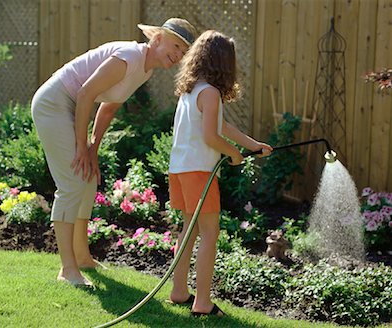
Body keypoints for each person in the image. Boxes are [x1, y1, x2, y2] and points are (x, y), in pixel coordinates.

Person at [31, 18, 198, 286]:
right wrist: (82, 145)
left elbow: (108, 107)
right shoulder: (129, 56)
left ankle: (83, 257)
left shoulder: (145, 70)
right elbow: (86, 94)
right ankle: (67, 269)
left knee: (87, 178)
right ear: (157, 38)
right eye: (176, 46)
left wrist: (93, 150)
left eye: (183, 52)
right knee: (72, 182)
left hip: (74, 106)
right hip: (54, 103)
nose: (178, 56)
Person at [167, 30, 272, 315]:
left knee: (188, 231)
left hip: (180, 170)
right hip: (199, 171)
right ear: (224, 62)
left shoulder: (191, 90)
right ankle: (202, 302)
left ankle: (179, 291)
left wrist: (252, 145)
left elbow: (220, 127)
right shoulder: (211, 93)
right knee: (210, 234)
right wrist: (234, 154)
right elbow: (212, 138)